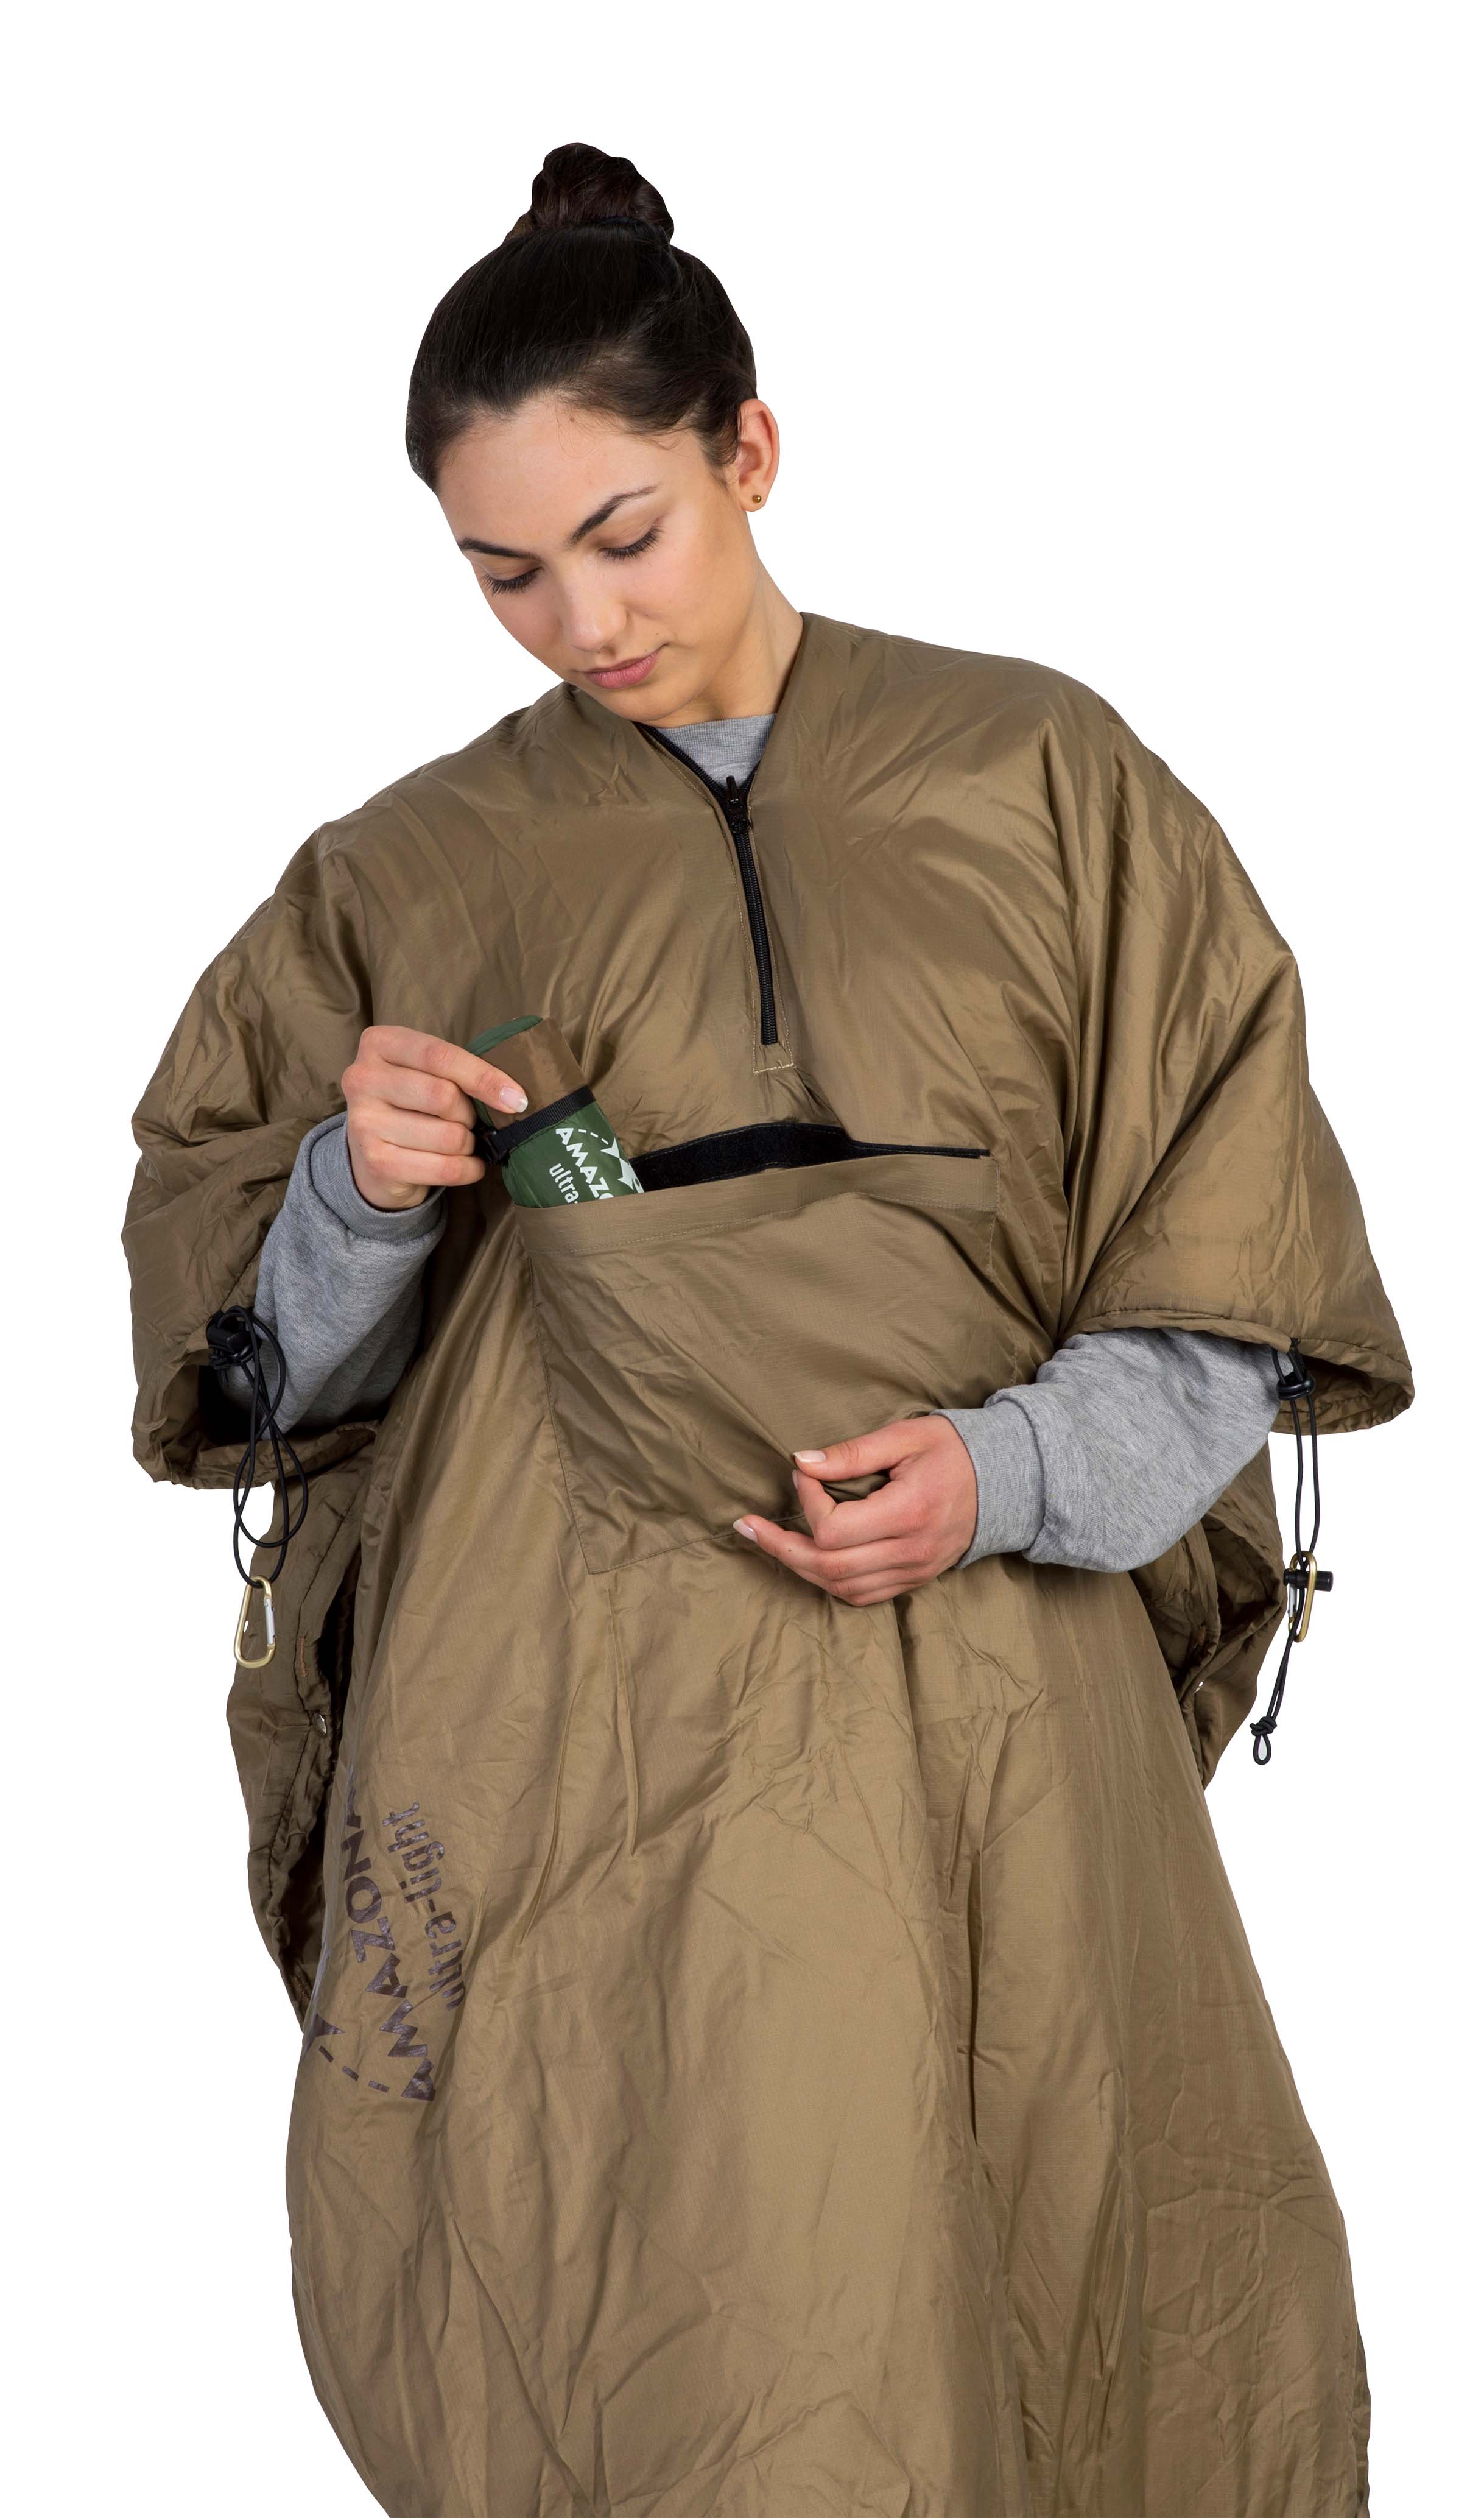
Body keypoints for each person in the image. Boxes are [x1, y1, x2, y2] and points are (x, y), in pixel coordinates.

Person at [122, 142, 1411, 2518]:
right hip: (579, 1740)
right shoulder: (400, 877)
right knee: (669, 2321)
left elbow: (1226, 1263)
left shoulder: (1046, 781)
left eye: (623, 535)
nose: (579, 621)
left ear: (750, 449)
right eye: (502, 573)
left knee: (1079, 2287)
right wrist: (351, 1197)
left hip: (999, 1713)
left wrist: (1006, 1475)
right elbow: (266, 1385)